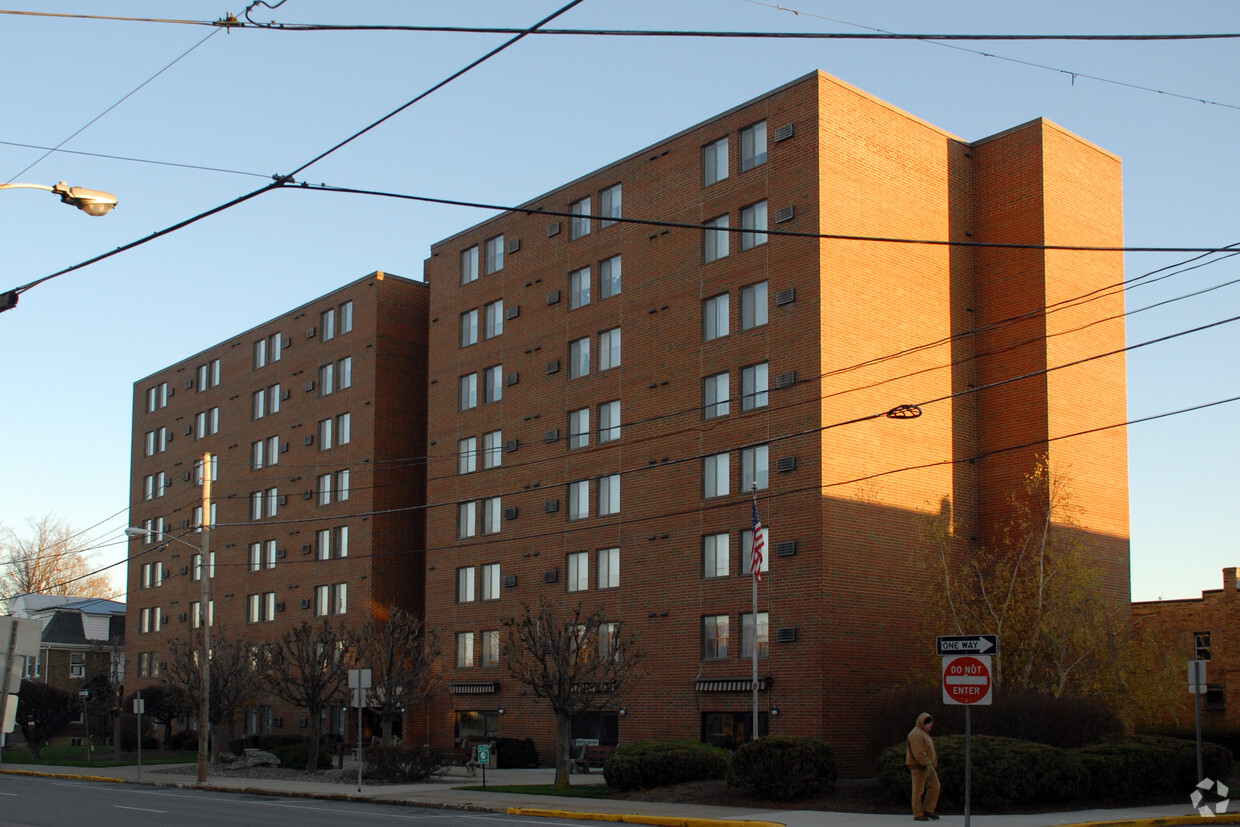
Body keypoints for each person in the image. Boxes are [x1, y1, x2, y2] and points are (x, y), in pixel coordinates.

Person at [906, 712, 940, 821]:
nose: (931, 725)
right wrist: (927, 763)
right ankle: (918, 813)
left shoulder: (924, 734)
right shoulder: (916, 734)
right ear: (923, 723)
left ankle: (928, 809)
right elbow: (919, 753)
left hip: (928, 766)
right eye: (929, 723)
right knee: (918, 790)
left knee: (935, 786)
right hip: (919, 767)